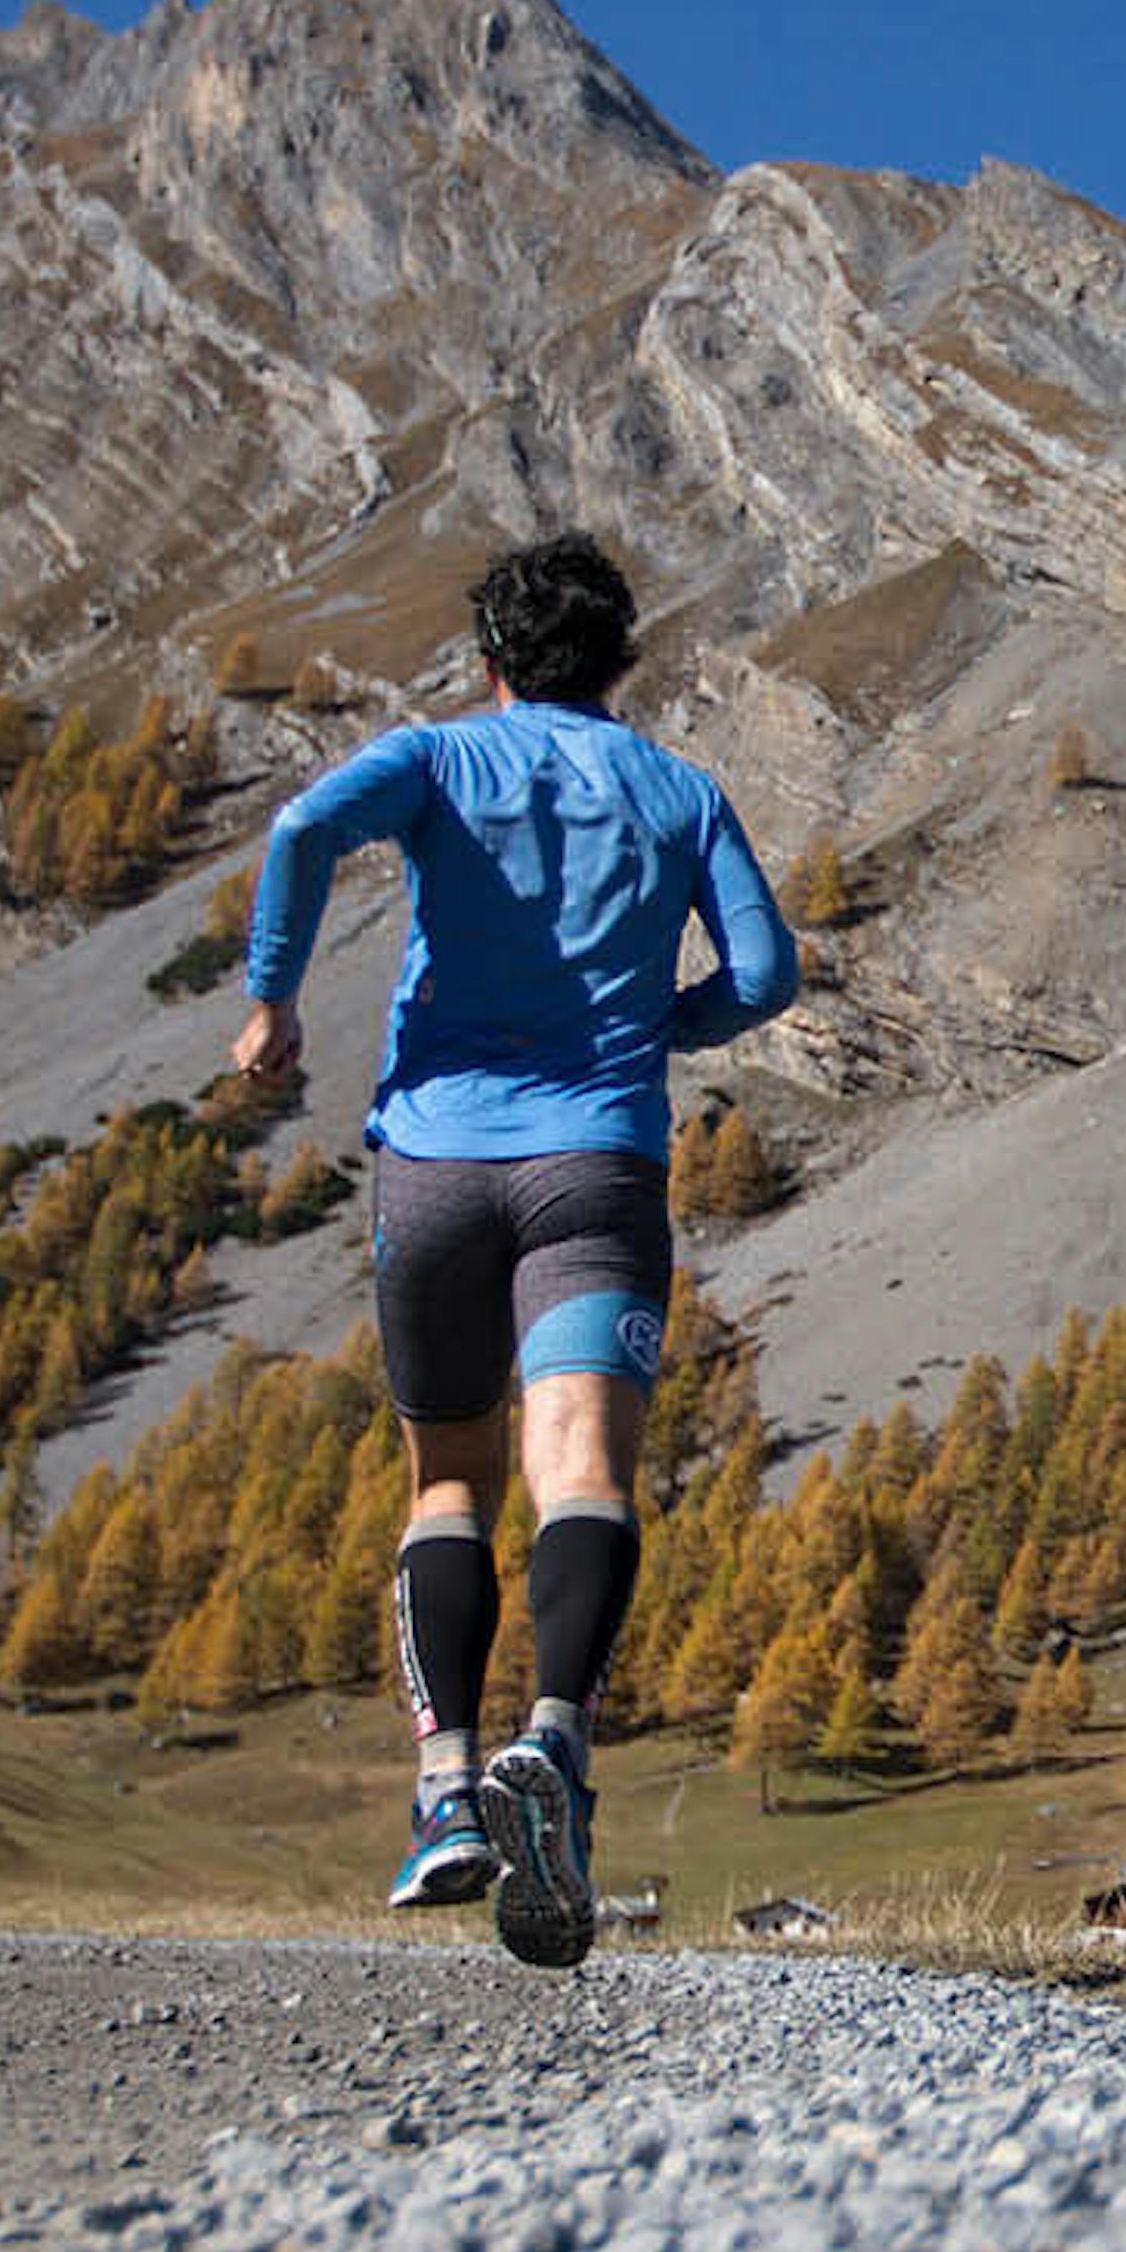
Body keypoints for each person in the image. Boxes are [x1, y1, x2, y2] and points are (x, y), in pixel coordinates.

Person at [228, 533, 800, 1967]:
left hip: (433, 1166)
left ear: (487, 659)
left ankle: (443, 1796)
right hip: (598, 1165)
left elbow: (300, 830)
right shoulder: (682, 789)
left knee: (447, 1484)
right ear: (624, 660)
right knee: (584, 1472)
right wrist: (679, 1026)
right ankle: (557, 1745)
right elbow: (770, 973)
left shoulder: (437, 759)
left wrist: (272, 1000)